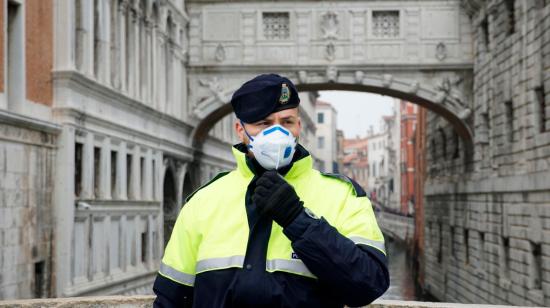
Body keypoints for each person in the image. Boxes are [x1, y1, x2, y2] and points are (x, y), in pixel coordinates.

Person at [153, 74, 389, 308]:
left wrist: (298, 219)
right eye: (263, 123)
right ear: (240, 129)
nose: (277, 134)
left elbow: (368, 285)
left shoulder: (342, 196)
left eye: (287, 122)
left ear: (299, 125)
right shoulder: (203, 201)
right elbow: (170, 298)